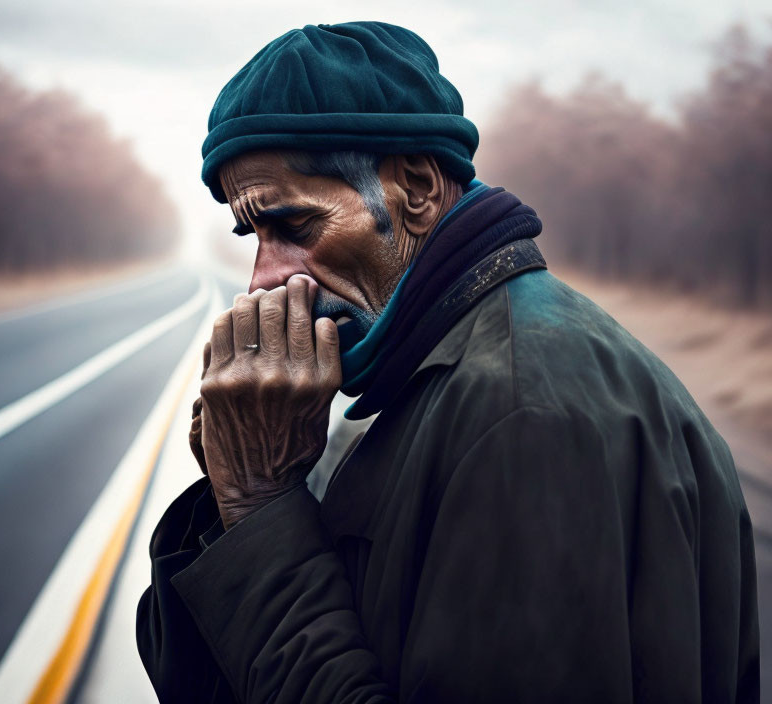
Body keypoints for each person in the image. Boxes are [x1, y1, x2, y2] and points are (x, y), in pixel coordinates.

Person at [136, 21, 759, 703]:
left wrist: (258, 501)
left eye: (295, 227)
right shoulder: (415, 381)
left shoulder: (522, 414)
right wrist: (235, 493)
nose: (263, 280)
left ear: (418, 188)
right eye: (251, 234)